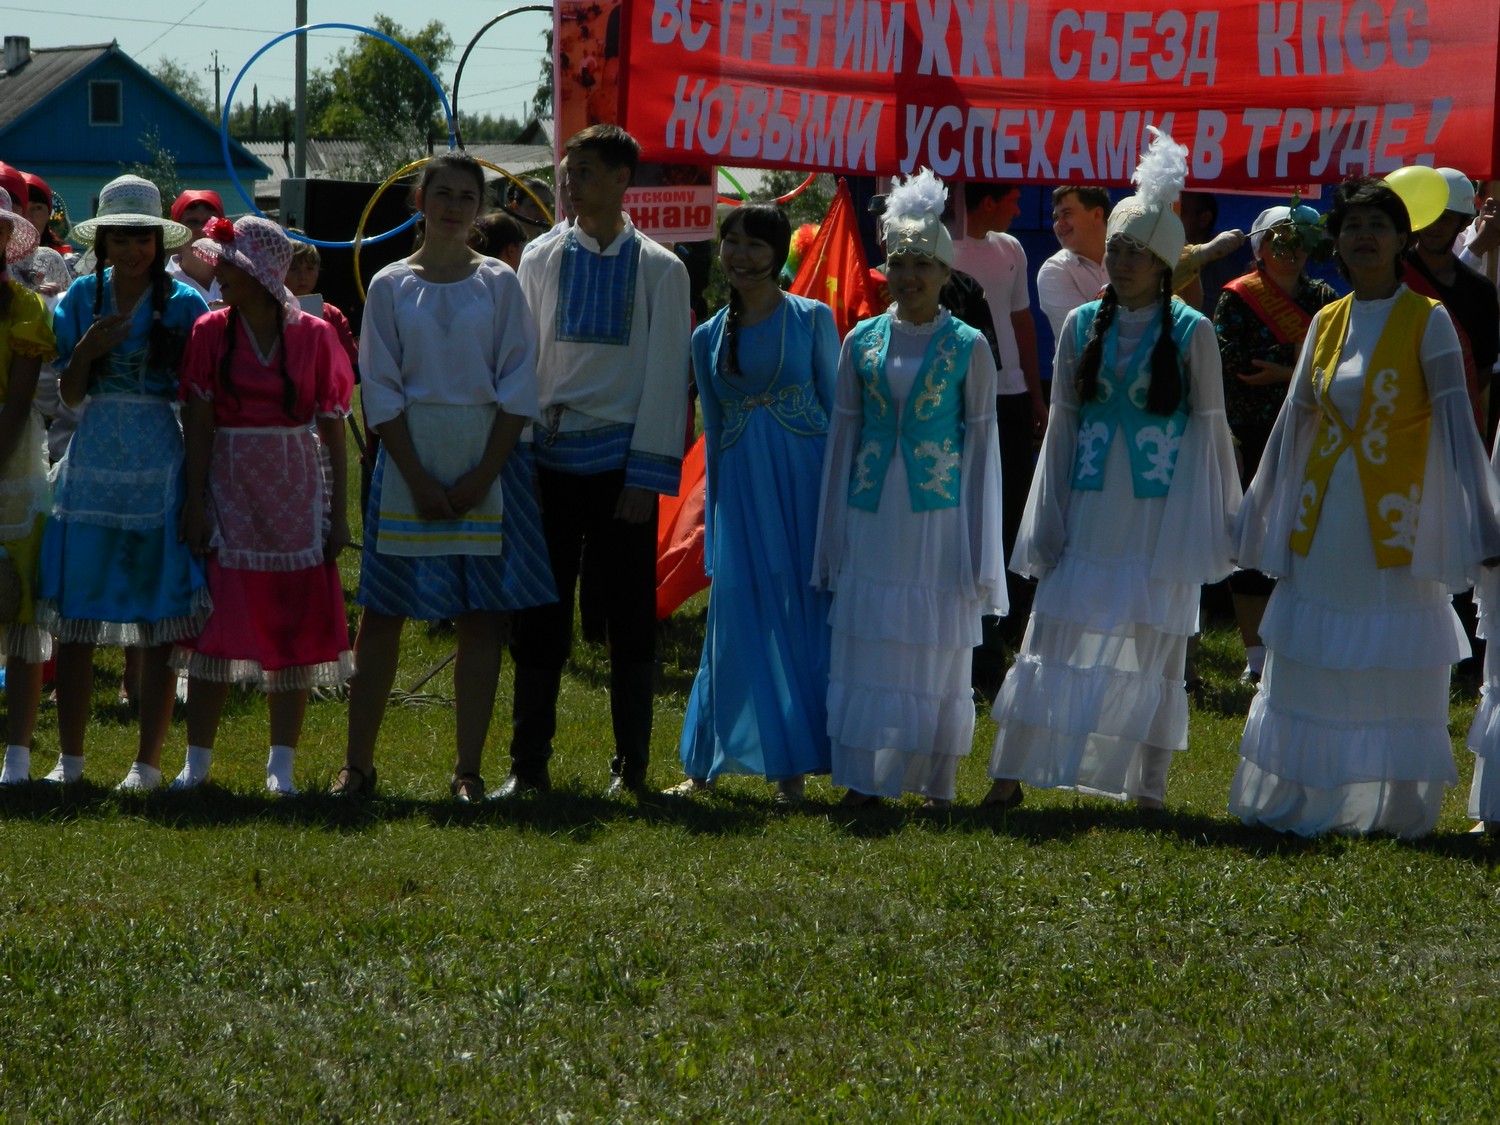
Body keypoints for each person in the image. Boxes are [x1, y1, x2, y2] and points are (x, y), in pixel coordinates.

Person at [1230, 175, 1500, 839]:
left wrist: (1484, 522)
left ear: (1403, 239)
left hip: (1394, 522)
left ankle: (1384, 803)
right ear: (1338, 242)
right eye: (1353, 226)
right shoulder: (1327, 321)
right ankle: (1308, 795)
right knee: (1317, 650)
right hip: (1324, 515)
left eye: (1379, 225)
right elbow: (1294, 422)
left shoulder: (1428, 319)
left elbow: (1459, 427)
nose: (1365, 237)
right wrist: (1258, 508)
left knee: (1385, 654)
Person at [985, 129, 1240, 811]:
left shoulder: (1192, 331)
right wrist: (1048, 515)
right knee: (1056, 628)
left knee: (1154, 641)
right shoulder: (1080, 327)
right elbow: (1063, 428)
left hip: (1158, 510)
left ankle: (1147, 789)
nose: (1122, 263)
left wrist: (1211, 524)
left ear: (1164, 264)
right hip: (1091, 505)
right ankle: (1008, 775)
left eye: (1137, 254)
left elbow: (1210, 432)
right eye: (1117, 250)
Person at [333, 151, 555, 801]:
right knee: (382, 615)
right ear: (419, 202)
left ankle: (467, 771)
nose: (454, 206)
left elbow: (518, 383)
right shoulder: (390, 285)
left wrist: (485, 472)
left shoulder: (500, 283)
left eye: (466, 196)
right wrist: (417, 475)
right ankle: (357, 765)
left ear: (480, 208)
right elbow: (380, 388)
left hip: (487, 461)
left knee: (481, 617)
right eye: (443, 194)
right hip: (409, 461)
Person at [503, 125, 691, 801]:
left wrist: (646, 473)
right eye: (567, 171)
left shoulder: (662, 268)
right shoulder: (540, 256)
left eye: (584, 171)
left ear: (620, 180)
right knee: (539, 614)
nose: (570, 183)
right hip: (550, 458)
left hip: (622, 465)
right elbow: (523, 360)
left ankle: (632, 767)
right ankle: (528, 765)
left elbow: (668, 376)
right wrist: (522, 457)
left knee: (629, 617)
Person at [813, 168, 1005, 809]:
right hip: (871, 511)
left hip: (936, 516)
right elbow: (844, 436)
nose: (909, 275)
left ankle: (932, 780)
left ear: (946, 272)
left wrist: (978, 545)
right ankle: (864, 777)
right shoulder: (861, 340)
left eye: (923, 264)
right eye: (898, 262)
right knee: (870, 638)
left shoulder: (968, 346)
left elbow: (982, 449)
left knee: (930, 639)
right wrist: (832, 533)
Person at [165, 216, 354, 794]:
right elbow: (198, 423)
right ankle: (197, 763)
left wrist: (339, 513)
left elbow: (333, 426)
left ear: (260, 273)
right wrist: (195, 502)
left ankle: (281, 767)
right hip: (229, 482)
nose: (218, 271)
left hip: (296, 486)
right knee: (216, 620)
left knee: (292, 622)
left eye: (230, 263)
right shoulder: (209, 331)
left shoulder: (314, 335)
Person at [38, 174, 211, 789]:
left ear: (158, 242)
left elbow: (198, 403)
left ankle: (148, 763)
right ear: (103, 241)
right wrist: (86, 351)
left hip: (158, 458)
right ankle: (70, 761)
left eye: (143, 238)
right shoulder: (79, 299)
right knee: (76, 617)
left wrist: (198, 491)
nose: (133, 250)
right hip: (93, 459)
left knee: (159, 620)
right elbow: (70, 397)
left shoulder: (186, 304)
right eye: (121, 238)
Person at [670, 204, 839, 804]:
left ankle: (796, 766)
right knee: (735, 614)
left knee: (807, 612)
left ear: (777, 252)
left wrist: (841, 506)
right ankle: (705, 761)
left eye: (755, 244)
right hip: (743, 491)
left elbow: (840, 413)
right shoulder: (706, 337)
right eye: (731, 243)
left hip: (807, 484)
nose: (741, 256)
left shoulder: (812, 319)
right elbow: (714, 434)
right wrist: (716, 522)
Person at [1215, 205, 1339, 684]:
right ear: (1260, 248)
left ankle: (1303, 644)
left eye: (1298, 239)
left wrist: (1286, 371)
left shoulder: (1324, 297)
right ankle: (1255, 658)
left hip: (1311, 434)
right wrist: (1295, 370)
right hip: (1254, 434)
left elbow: (1337, 363)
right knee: (1252, 541)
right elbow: (1237, 363)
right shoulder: (1238, 297)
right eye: (1278, 240)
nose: (1289, 250)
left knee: (1309, 537)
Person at [0, 189, 57, 786]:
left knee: (19, 607)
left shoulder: (25, 309)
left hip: (11, 457)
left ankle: (17, 753)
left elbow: (17, 404)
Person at [1404, 169, 1498, 440]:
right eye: (1429, 214)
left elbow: (1481, 370)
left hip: (1453, 420)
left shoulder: (1481, 291)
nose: (1434, 226)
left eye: (1445, 218)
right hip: (1397, 413)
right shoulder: (1392, 277)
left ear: (1461, 222)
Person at [1036, 185, 1110, 340]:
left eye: (1067, 214)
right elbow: (1084, 334)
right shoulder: (1053, 270)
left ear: (1097, 214)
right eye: (1056, 218)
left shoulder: (1133, 256)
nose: (1059, 224)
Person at [167, 189, 226, 305]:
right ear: (176, 230)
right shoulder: (165, 282)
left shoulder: (238, 278)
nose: (201, 229)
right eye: (192, 222)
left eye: (210, 221)